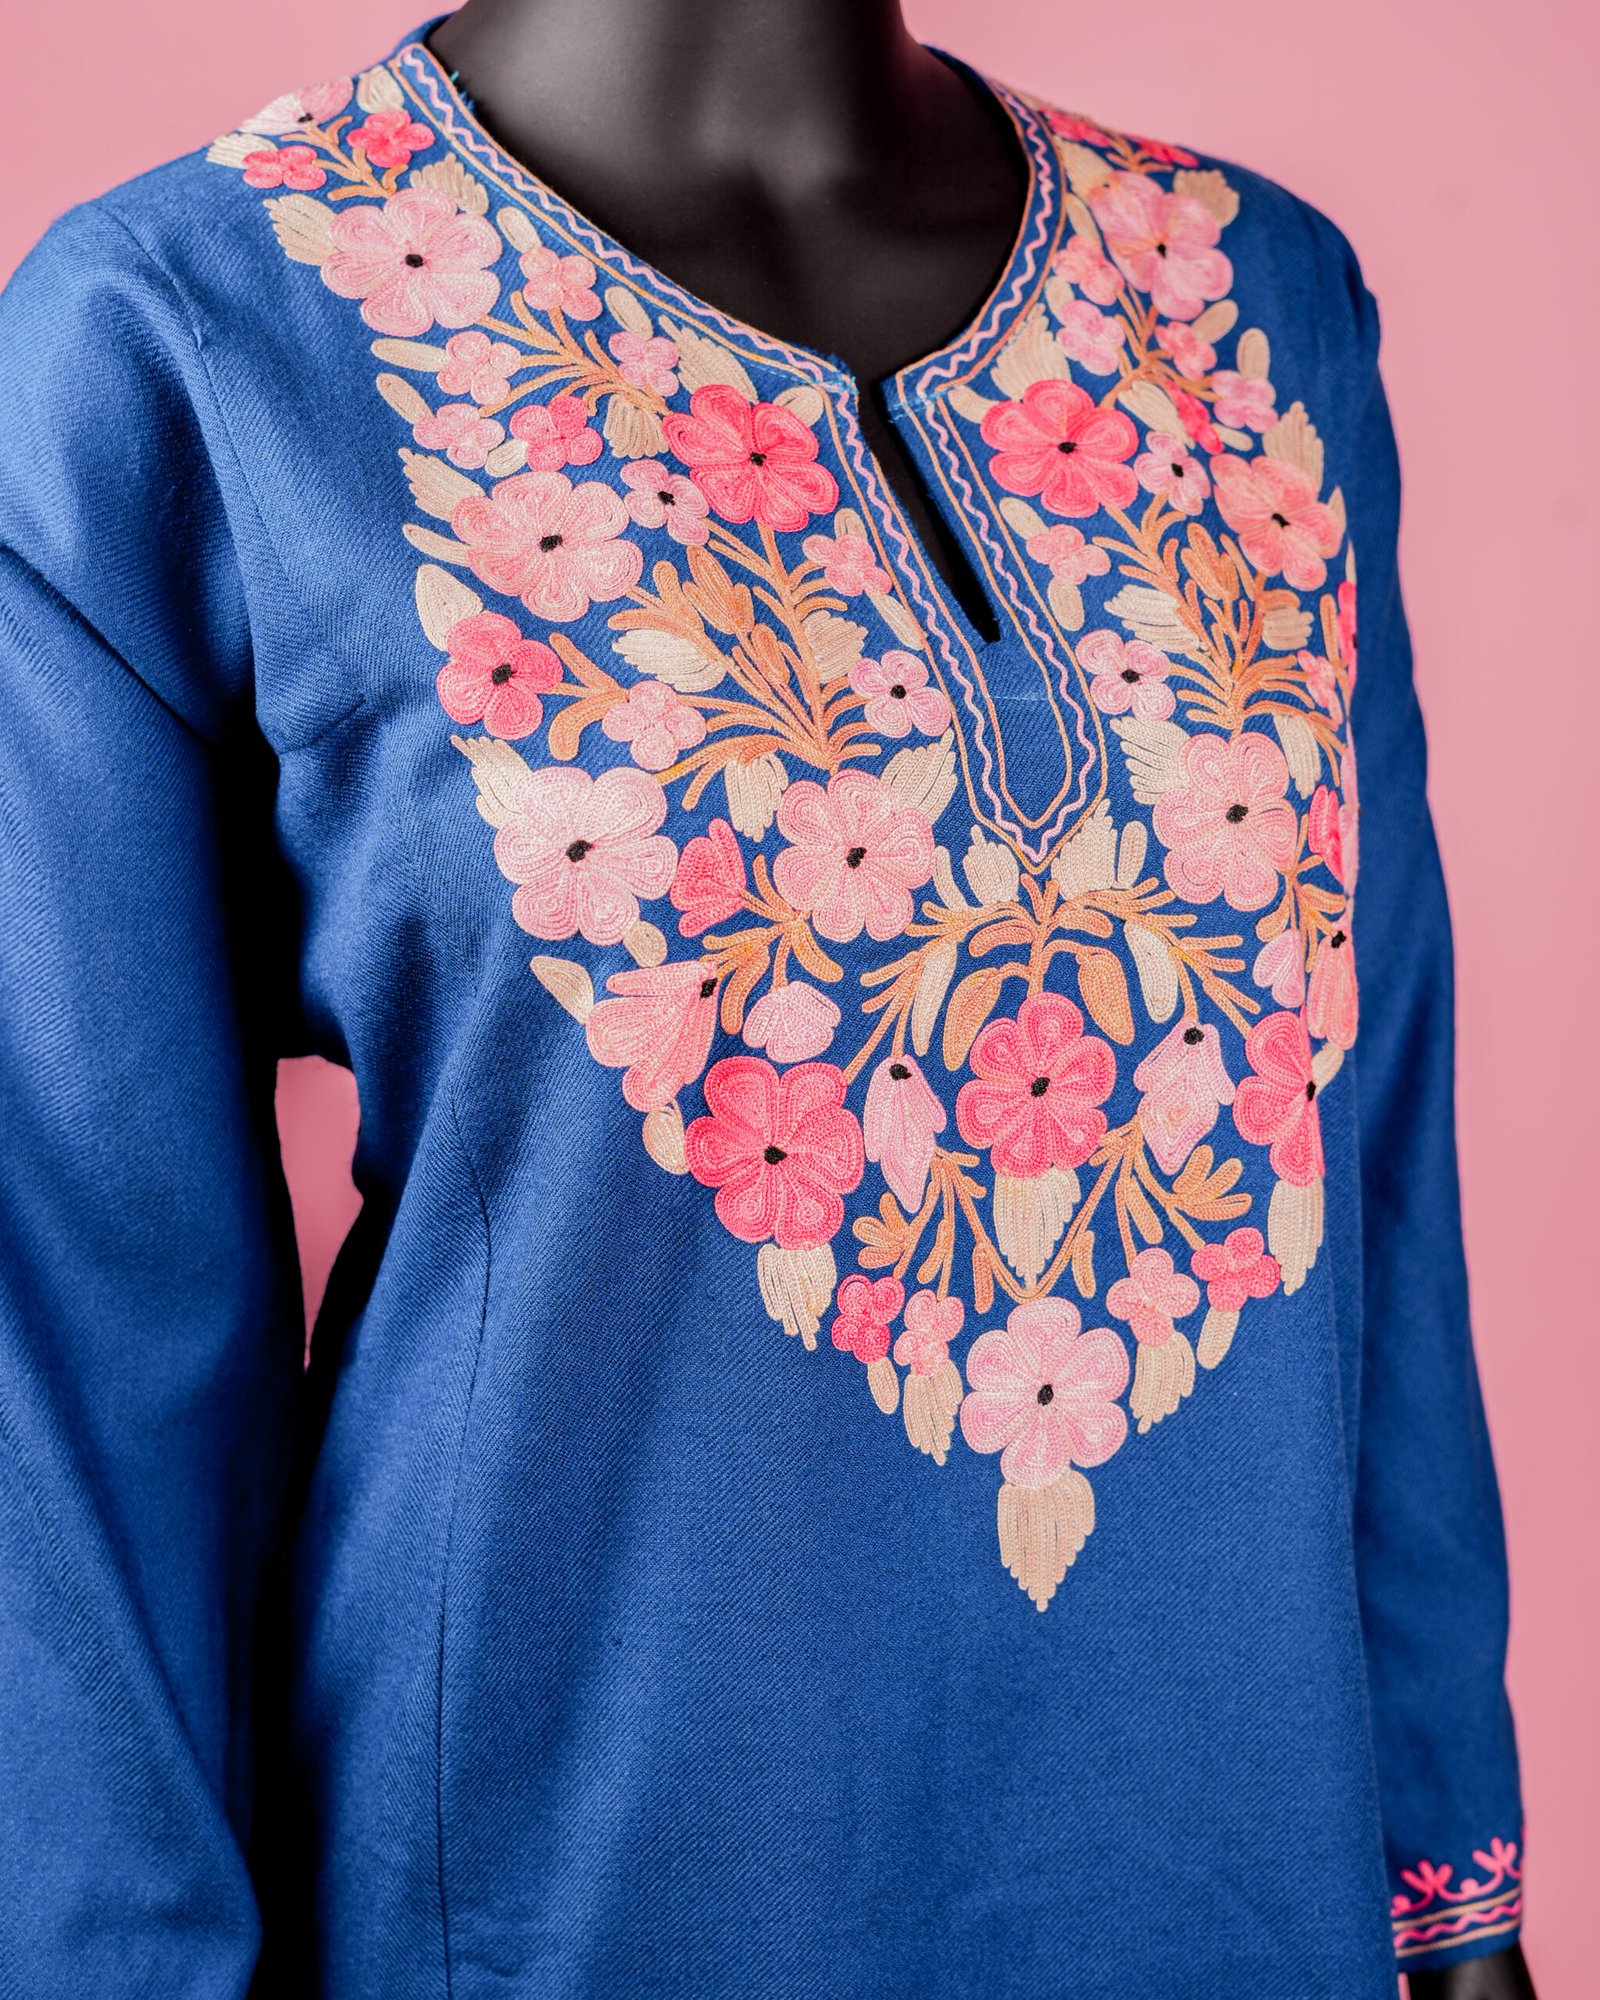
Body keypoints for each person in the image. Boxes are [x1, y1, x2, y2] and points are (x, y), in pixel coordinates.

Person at [0, 2, 1533, 1993]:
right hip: (562, 1903)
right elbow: (72, 1348)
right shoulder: (186, 337)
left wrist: (1457, 1903)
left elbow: (1371, 1148)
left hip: (1234, 1886)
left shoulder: (1252, 303)